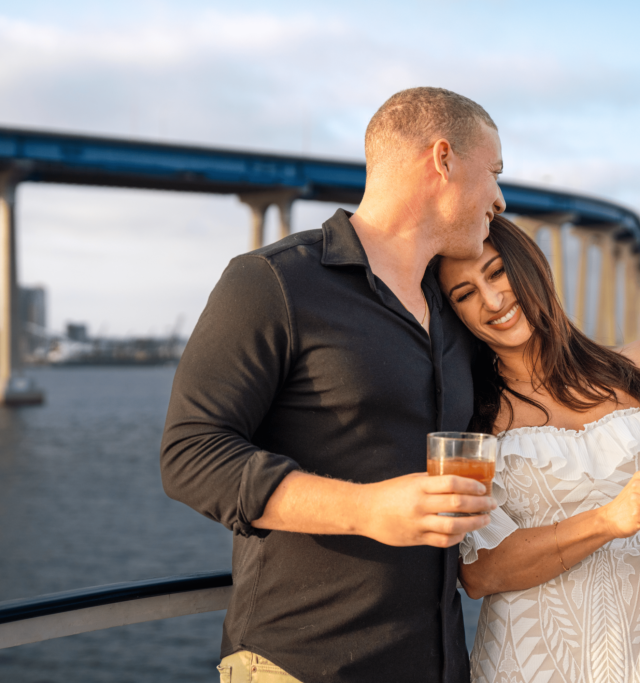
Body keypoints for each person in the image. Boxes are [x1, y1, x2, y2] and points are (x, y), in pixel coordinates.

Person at [160, 87, 506, 683]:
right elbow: (191, 455)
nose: (500, 198)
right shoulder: (272, 282)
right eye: (495, 172)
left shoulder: (456, 315)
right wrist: (368, 509)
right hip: (298, 665)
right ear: (443, 159)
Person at [436, 215, 640, 683]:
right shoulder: (470, 415)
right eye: (464, 295)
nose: (491, 300)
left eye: (498, 272)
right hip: (527, 666)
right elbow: (480, 574)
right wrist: (608, 519)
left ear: (533, 267)